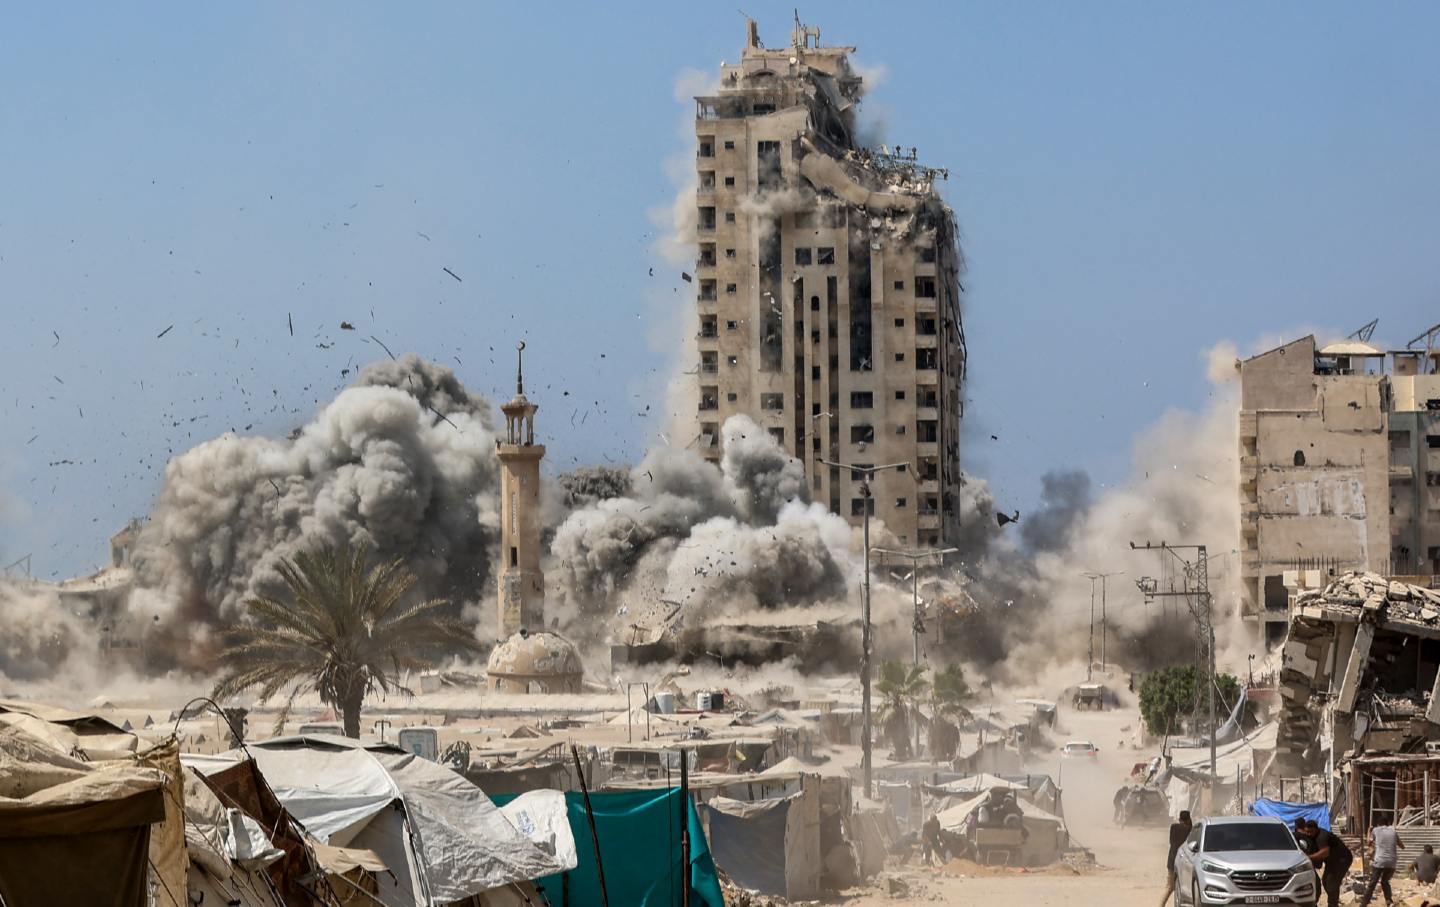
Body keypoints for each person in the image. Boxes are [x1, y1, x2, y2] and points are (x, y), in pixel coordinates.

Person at [1306, 819, 1353, 907]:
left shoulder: (1322, 836)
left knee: (1332, 883)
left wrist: (1308, 857)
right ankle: (1333, 901)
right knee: (1325, 881)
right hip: (1332, 861)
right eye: (1307, 832)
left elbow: (1325, 852)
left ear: (1316, 829)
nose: (1308, 834)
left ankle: (1332, 904)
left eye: (1310, 832)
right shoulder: (1314, 837)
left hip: (1342, 859)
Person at [1361, 823, 1404, 907]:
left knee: (1372, 883)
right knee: (1385, 881)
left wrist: (1368, 831)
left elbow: (1368, 843)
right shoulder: (1393, 831)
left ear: (1378, 824)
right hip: (1392, 862)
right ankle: (1389, 902)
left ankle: (1363, 904)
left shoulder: (1376, 830)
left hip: (1380, 861)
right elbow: (1402, 846)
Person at [1159, 811, 1192, 907]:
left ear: (1179, 819)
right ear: (1188, 819)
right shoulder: (1189, 830)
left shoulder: (1173, 827)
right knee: (1184, 887)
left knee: (1169, 887)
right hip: (1183, 863)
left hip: (1171, 861)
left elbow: (1171, 841)